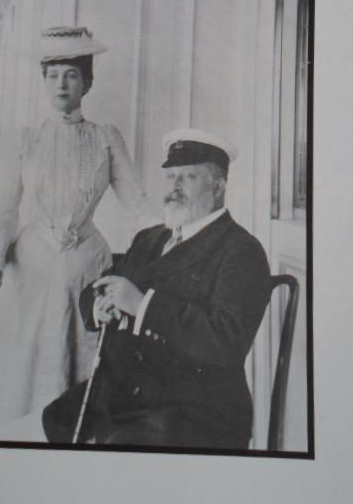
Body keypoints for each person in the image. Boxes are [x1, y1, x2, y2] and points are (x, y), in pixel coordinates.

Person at [0, 26, 157, 439]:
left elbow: (138, 204)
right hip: (30, 274)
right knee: (24, 376)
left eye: (71, 74)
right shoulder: (26, 140)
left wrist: (174, 246)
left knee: (79, 382)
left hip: (86, 272)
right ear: (43, 80)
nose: (62, 84)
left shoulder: (105, 138)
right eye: (53, 74)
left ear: (87, 82)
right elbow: (4, 211)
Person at [41, 129, 272, 450]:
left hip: (196, 407)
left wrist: (142, 306)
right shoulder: (149, 239)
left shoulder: (241, 250)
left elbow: (226, 342)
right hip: (124, 391)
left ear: (218, 186)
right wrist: (100, 304)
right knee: (50, 422)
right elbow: (100, 287)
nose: (174, 187)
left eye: (188, 177)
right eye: (170, 177)